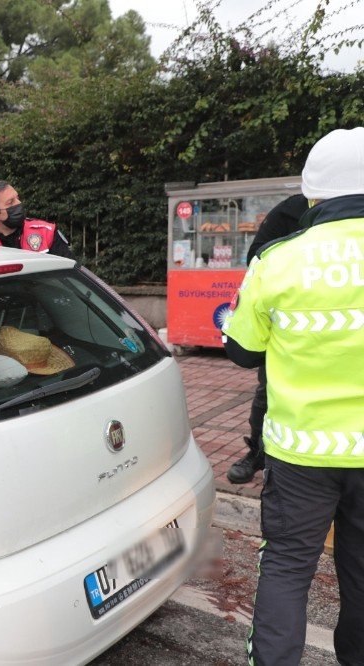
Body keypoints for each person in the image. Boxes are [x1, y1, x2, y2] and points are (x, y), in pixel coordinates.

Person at [221, 126, 364, 665]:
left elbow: (241, 351)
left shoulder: (279, 259)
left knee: (285, 570)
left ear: (312, 194)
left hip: (300, 454)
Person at [226, 193, 309, 484]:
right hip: (288, 327)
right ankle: (259, 453)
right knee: (267, 391)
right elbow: (256, 257)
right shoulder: (290, 211)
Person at [0, 181, 75, 258]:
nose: (19, 203)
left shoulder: (46, 232)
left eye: (17, 198)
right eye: (10, 202)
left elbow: (71, 273)